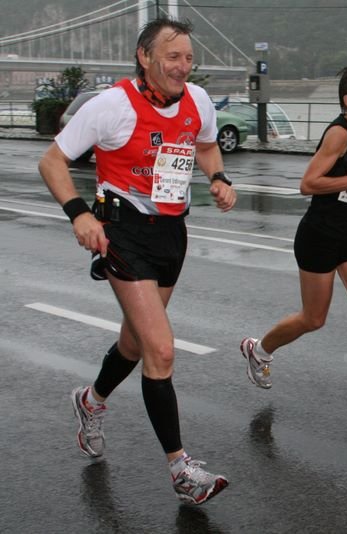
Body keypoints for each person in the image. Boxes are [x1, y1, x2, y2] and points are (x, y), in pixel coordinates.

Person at [38, 17, 236, 505]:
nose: (183, 66)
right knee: (162, 349)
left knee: (135, 340)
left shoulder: (199, 101)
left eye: (189, 58)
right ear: (144, 57)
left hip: (172, 232)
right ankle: (181, 469)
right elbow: (52, 162)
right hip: (122, 232)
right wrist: (79, 214)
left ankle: (90, 401)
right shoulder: (112, 106)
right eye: (173, 57)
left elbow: (207, 143)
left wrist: (218, 177)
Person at [239, 58, 347, 430]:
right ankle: (259, 349)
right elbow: (308, 184)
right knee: (313, 319)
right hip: (319, 234)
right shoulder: (339, 134)